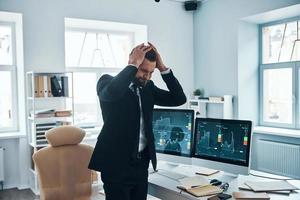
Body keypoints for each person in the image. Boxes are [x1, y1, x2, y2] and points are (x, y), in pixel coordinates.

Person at [88, 43, 186, 200]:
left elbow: (179, 98)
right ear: (132, 61)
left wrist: (163, 68)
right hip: (115, 166)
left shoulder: (148, 87)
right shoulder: (106, 82)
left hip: (141, 165)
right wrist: (133, 65)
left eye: (151, 72)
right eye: (143, 70)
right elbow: (112, 93)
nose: (146, 76)